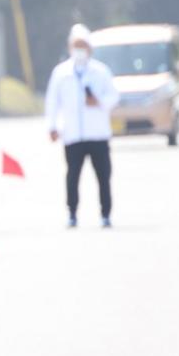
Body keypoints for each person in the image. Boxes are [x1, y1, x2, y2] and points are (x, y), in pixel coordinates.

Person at [45, 23, 120, 228]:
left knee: (103, 176)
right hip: (73, 134)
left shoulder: (101, 71)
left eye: (83, 45)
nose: (80, 49)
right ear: (70, 47)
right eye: (76, 45)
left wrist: (100, 102)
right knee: (72, 175)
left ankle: (105, 214)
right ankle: (72, 213)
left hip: (97, 133)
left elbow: (113, 96)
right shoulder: (61, 73)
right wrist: (52, 126)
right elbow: (53, 102)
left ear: (90, 48)